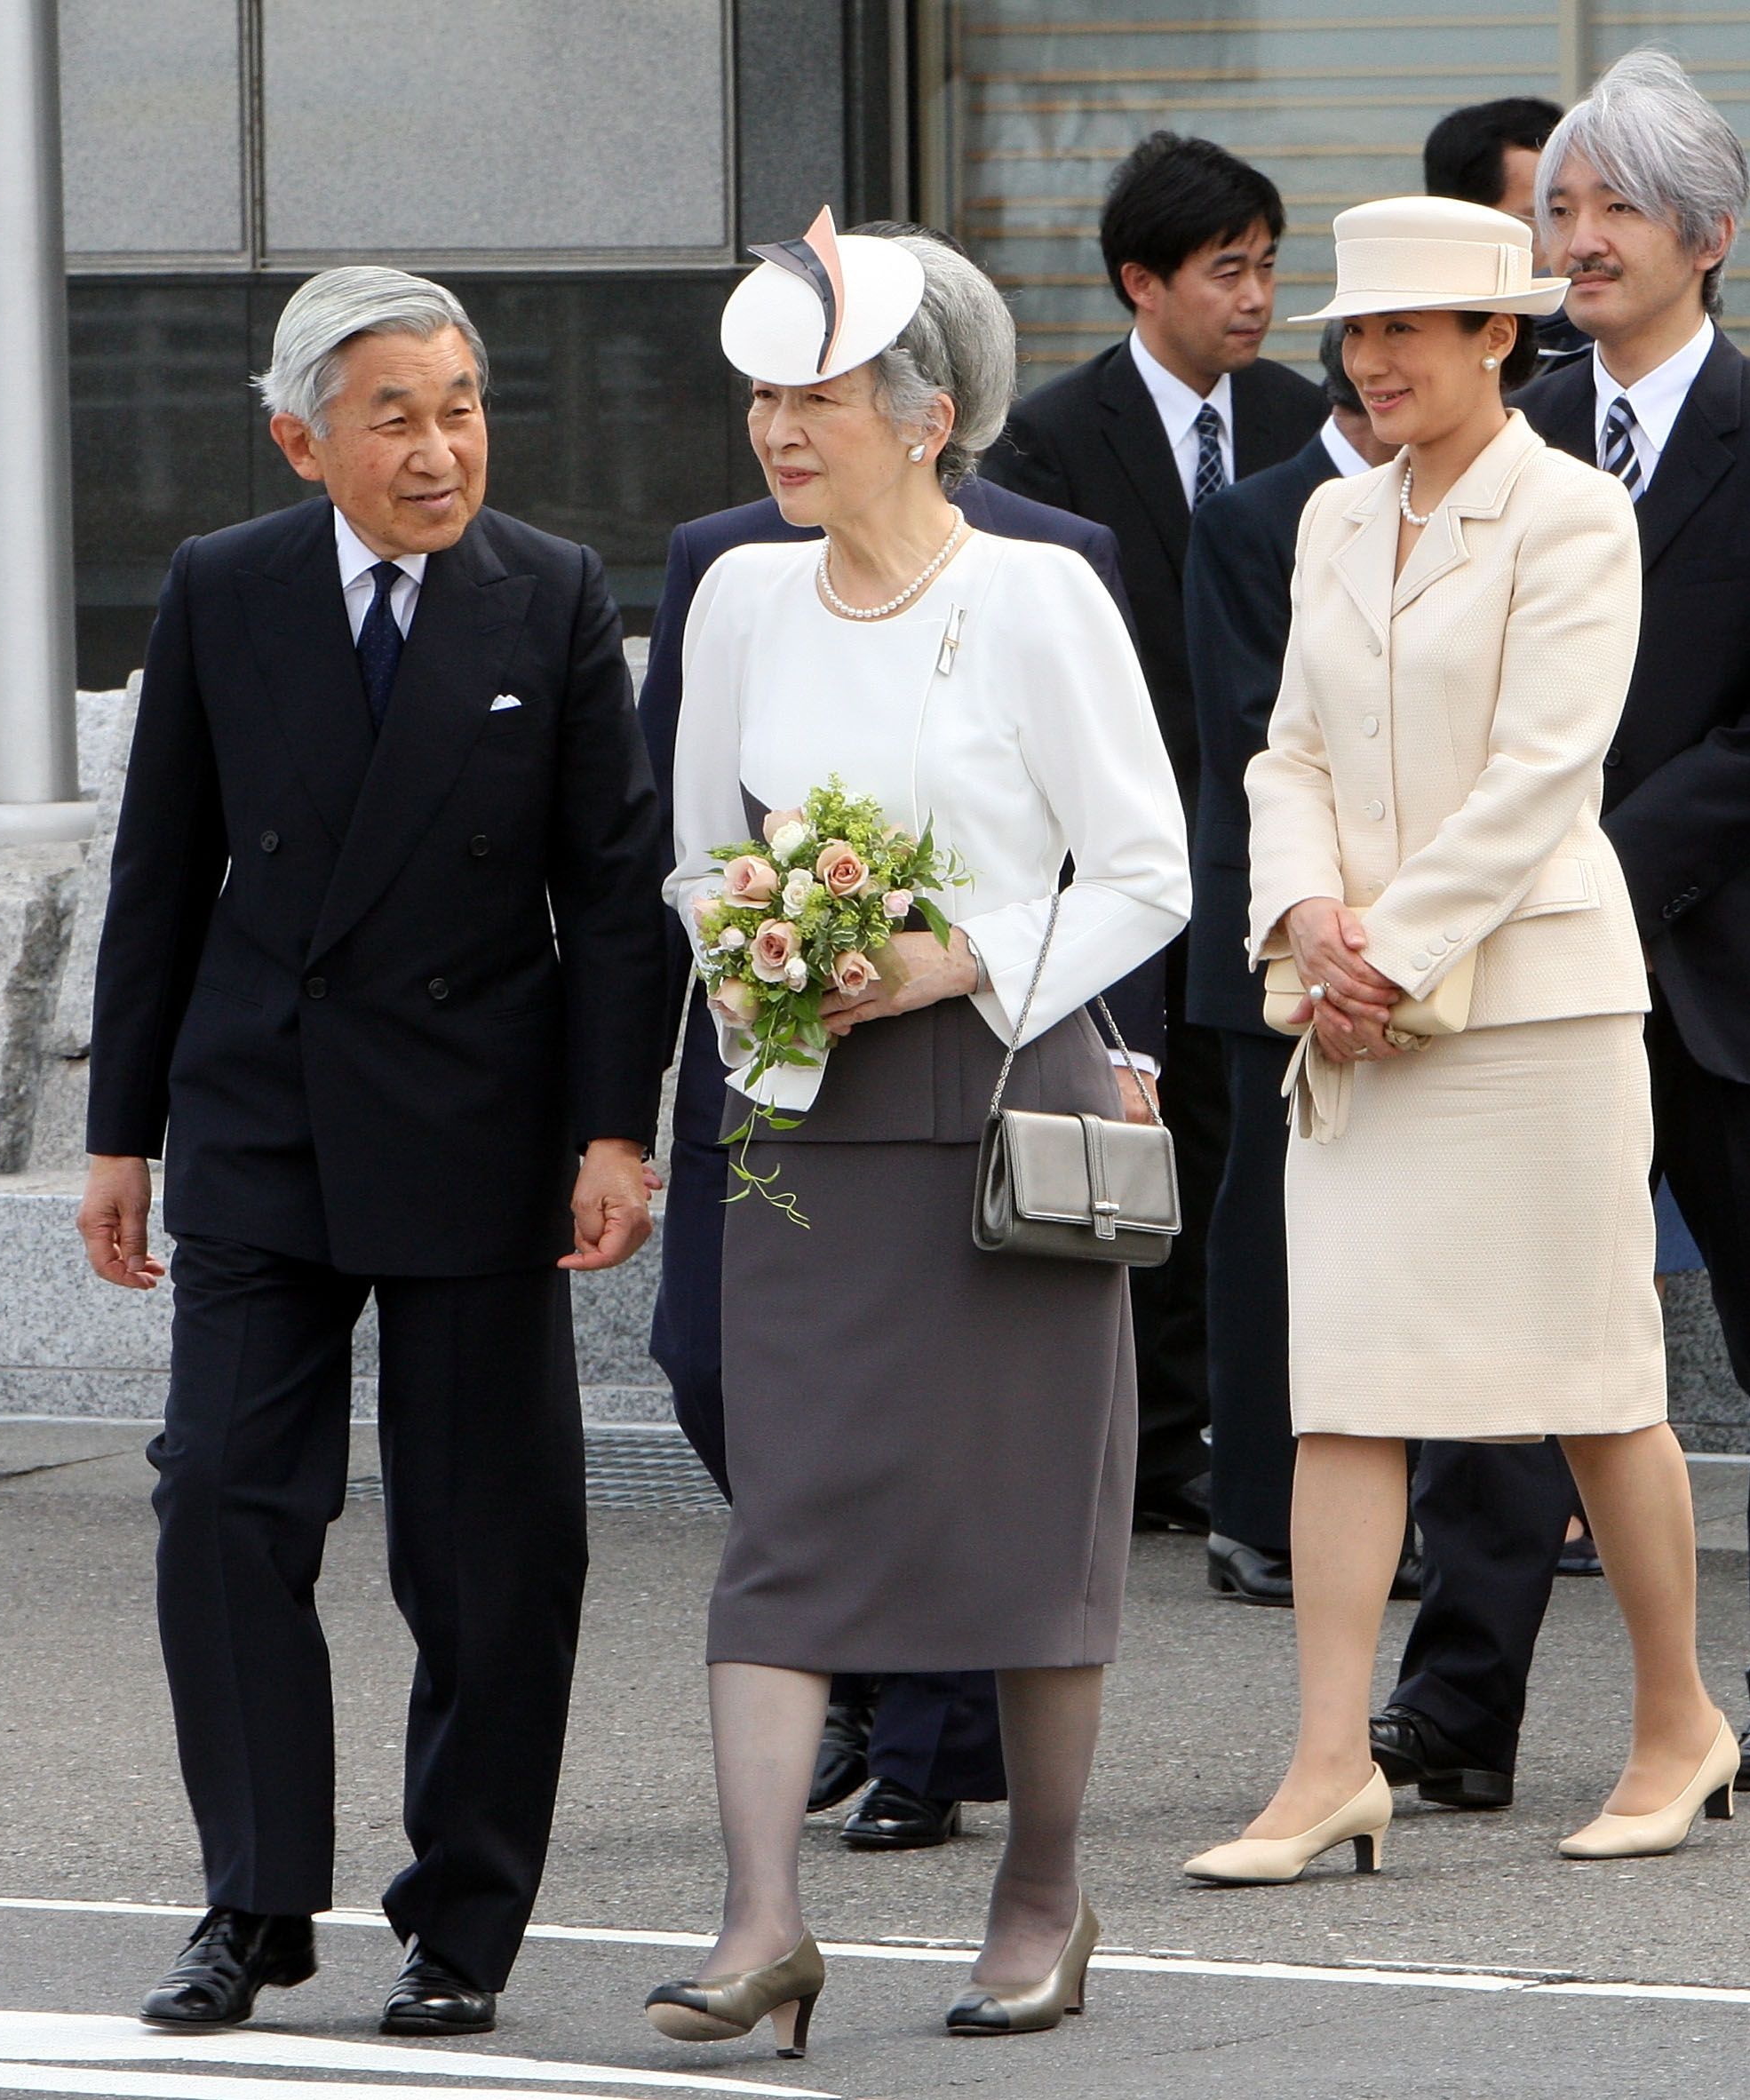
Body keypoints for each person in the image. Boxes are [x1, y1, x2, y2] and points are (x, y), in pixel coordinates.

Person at [78, 268, 665, 2037]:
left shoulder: (547, 594)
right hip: (262, 1117)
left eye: (463, 405)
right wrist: (124, 1133)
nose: (439, 448)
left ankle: (462, 1922)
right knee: (222, 1506)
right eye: (396, 414)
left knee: (489, 1549)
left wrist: (613, 1128)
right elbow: (162, 872)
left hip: (480, 1128)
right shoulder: (225, 588)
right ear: (300, 439)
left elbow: (615, 893)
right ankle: (252, 1901)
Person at [645, 213, 1188, 2051]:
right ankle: (761, 1924)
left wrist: (952, 951)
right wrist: (763, 942)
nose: (780, 430)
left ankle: (1041, 1893)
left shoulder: (1034, 595)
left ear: (926, 415)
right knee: (785, 1521)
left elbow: (1149, 872)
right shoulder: (733, 597)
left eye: (817, 397)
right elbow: (696, 850)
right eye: (763, 399)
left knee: (1029, 1533)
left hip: (1005, 1100)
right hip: (801, 1112)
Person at [1181, 195, 1735, 1888]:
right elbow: (1283, 753)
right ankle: (1327, 1760)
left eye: (1407, 329)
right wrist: (1303, 925)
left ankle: (1676, 1720)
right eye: (1356, 332)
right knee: (1343, 1390)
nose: (1370, 358)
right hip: (1353, 1007)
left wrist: (1390, 951)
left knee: (1590, 1383)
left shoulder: (1575, 516)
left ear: (1500, 338)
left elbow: (1544, 774)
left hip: (1536, 1016)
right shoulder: (1331, 524)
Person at [1375, 49, 1750, 1811]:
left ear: (1710, 234)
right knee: (1499, 1326)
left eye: (1612, 211)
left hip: (1719, 957)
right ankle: (1460, 1705)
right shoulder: (1495, 444)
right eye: (1564, 209)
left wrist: (1584, 855)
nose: (1575, 241)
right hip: (1519, 963)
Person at [987, 132, 1330, 1537]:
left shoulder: (1310, 418)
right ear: (1143, 281)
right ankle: (1137, 1440)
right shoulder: (1054, 438)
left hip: (1267, 840)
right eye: (1224, 270)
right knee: (1129, 1131)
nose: (1254, 299)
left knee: (1242, 1144)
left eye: (1266, 268)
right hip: (1117, 843)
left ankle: (1229, 1433)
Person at [1182, 322, 1392, 1606]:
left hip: (1398, 929)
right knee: (1267, 1226)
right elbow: (1257, 726)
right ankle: (1253, 1510)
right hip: (1276, 917)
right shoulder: (1258, 517)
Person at [1423, 95, 1589, 368]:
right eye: (1554, 214)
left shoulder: (1601, 351)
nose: (1581, 244)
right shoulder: (1390, 348)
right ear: (1462, 224)